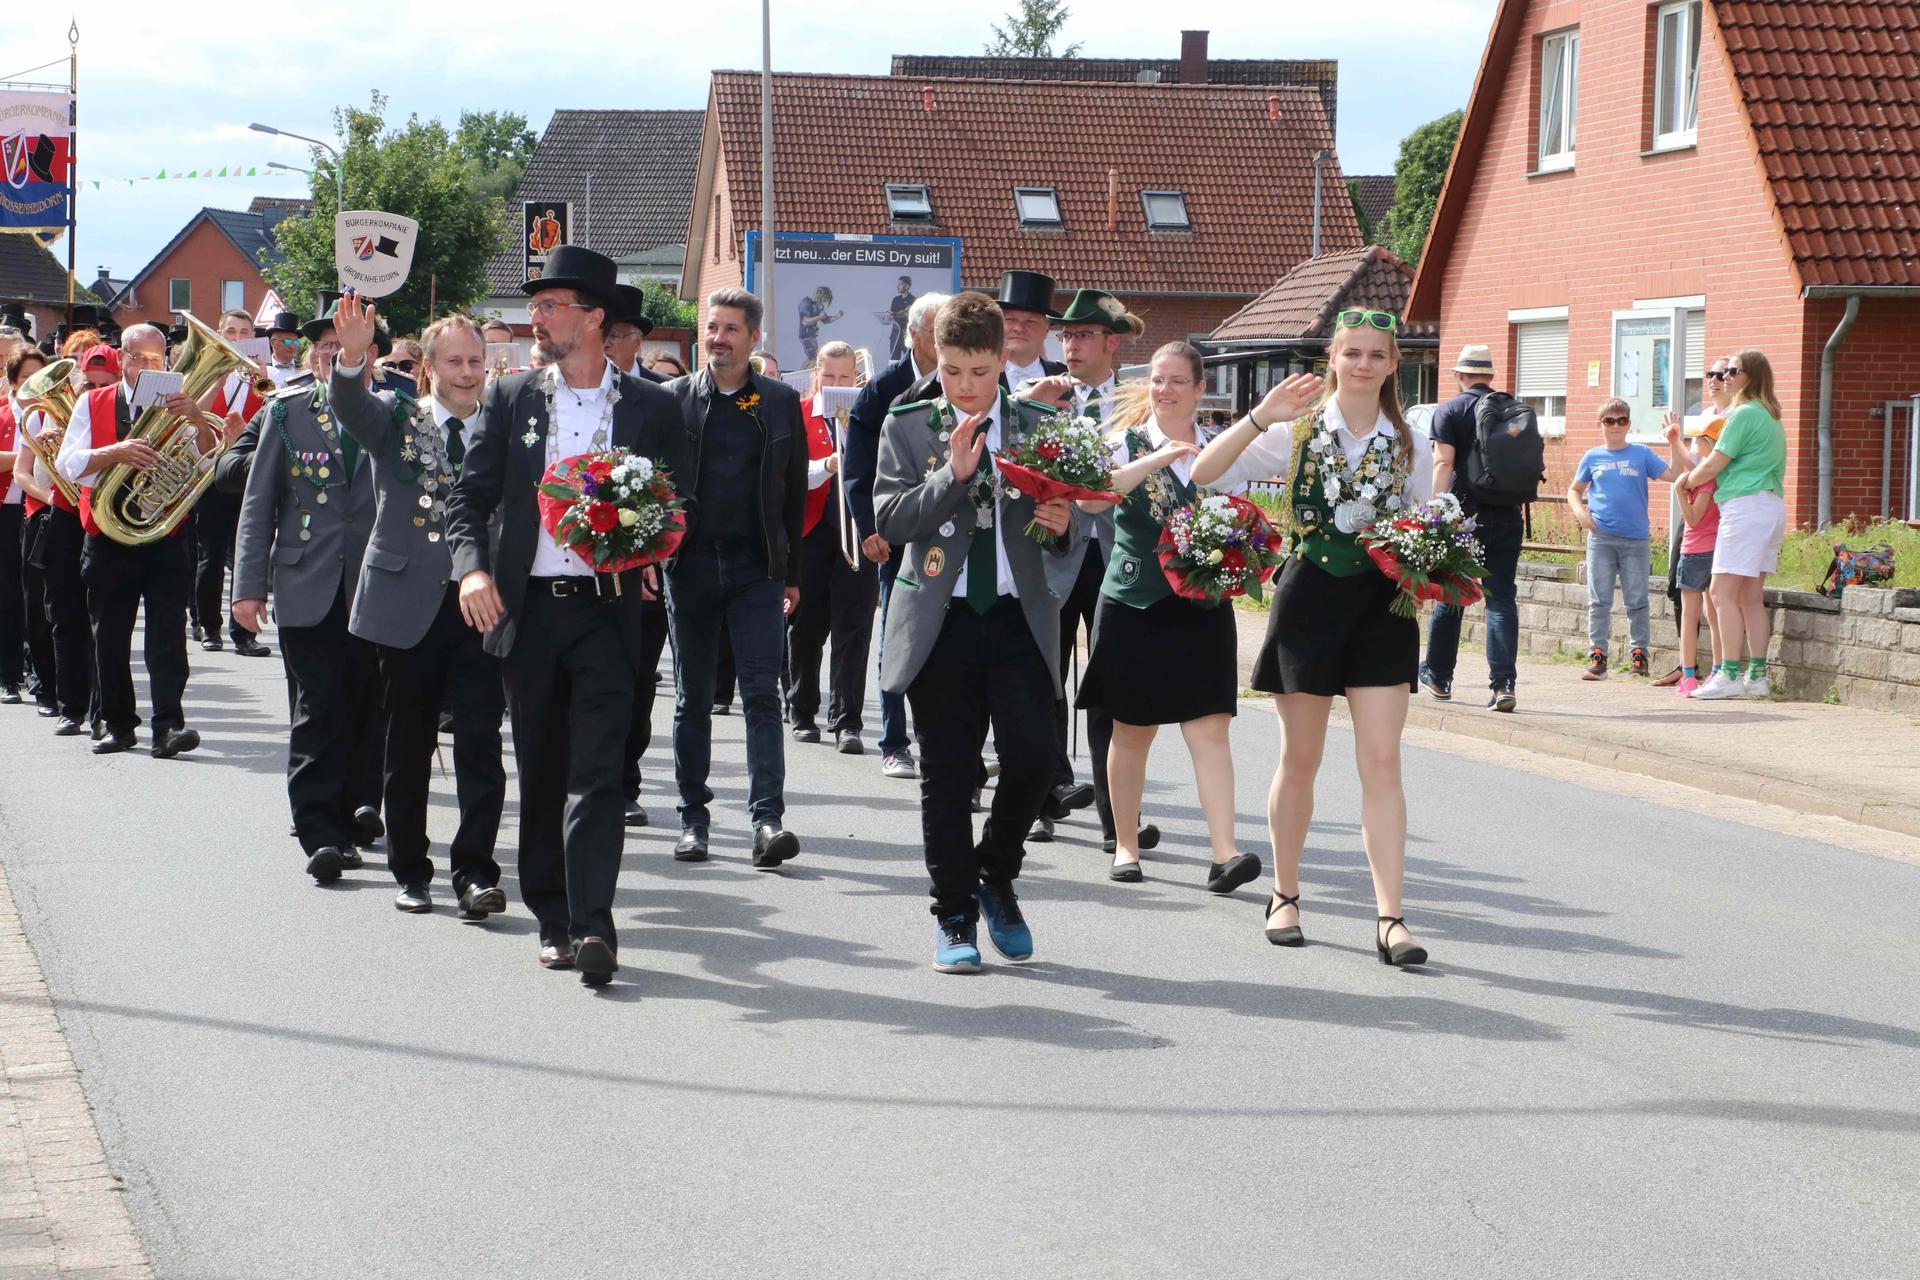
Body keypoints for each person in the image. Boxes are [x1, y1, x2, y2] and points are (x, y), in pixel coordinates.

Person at [448, 246, 688, 986]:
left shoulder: (652, 407)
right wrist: (472, 571)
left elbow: (680, 506)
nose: (536, 318)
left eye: (550, 306)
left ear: (593, 318)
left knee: (599, 775)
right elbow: (469, 500)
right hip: (530, 614)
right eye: (538, 305)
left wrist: (656, 554)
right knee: (545, 772)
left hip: (611, 615)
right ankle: (553, 917)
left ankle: (595, 925)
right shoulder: (512, 396)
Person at [1192, 309, 1433, 967]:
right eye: (1351, 353)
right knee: (1301, 758)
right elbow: (1206, 475)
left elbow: (1422, 521)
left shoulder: (1410, 443)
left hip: (1384, 603)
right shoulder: (1297, 430)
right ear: (1333, 358)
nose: (1362, 365)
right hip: (1310, 597)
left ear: (1391, 365)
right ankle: (1285, 895)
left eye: (1375, 356)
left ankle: (1391, 919)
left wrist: (1434, 555)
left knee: (1382, 761)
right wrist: (1259, 416)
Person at [875, 292, 1076, 972]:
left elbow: (1077, 526)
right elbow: (892, 522)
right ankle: (954, 913)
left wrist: (1063, 527)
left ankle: (995, 872)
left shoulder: (1040, 424)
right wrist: (951, 478)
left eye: (980, 372)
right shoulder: (908, 424)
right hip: (943, 620)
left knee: (1034, 758)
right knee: (948, 773)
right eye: (954, 370)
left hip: (1019, 617)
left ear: (1004, 362)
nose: (965, 387)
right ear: (937, 356)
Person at [329, 298, 507, 918]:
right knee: (407, 741)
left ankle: (476, 872)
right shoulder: (398, 419)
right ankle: (411, 869)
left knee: (481, 741)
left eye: (476, 361)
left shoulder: (505, 424)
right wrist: (353, 356)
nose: (467, 372)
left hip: (483, 604)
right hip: (408, 602)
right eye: (454, 361)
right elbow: (349, 407)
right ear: (428, 368)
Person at [1075, 343, 1261, 893]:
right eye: (1158, 380)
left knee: (1210, 730)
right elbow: (1091, 501)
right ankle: (1126, 845)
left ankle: (1224, 855)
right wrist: (1157, 459)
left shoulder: (1221, 450)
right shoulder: (1122, 443)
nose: (1166, 390)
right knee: (1131, 732)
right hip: (1134, 603)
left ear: (1200, 390)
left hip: (1202, 608)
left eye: (1178, 381)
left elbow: (1243, 522)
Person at [232, 297, 387, 879]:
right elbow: (257, 506)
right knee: (318, 706)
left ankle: (355, 813)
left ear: (371, 355)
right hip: (307, 583)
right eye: (324, 346)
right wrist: (247, 589)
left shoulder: (395, 413)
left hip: (377, 584)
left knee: (368, 705)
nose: (333, 354)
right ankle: (319, 830)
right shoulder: (285, 413)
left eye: (347, 345)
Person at [663, 289, 806, 866]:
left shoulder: (778, 402)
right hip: (689, 564)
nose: (717, 338)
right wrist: (653, 556)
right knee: (691, 698)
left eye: (730, 329)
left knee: (761, 696)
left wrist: (790, 572)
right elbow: (655, 484)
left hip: (756, 570)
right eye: (712, 328)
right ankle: (693, 819)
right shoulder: (673, 398)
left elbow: (794, 490)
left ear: (753, 339)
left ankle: (767, 822)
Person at [54, 323, 214, 758]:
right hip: (108, 534)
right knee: (109, 635)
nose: (147, 365)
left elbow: (206, 462)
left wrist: (198, 418)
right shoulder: (92, 401)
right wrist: (115, 453)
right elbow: (68, 463)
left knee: (167, 636)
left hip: (164, 534)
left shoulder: (183, 403)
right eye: (138, 357)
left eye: (156, 358)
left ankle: (168, 727)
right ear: (121, 358)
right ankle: (118, 724)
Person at [1030, 289, 1146, 849]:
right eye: (1066, 336)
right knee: (1043, 676)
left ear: (1110, 342)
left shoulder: (1138, 400)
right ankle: (1043, 795)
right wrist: (1033, 409)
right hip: (1055, 552)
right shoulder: (1046, 395)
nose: (1070, 346)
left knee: (1111, 684)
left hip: (1117, 555)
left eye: (1082, 336)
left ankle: (1113, 814)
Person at [842, 291, 948, 782]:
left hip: (947, 533)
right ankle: (893, 740)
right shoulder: (883, 388)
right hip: (896, 533)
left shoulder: (963, 383)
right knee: (897, 636)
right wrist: (867, 529)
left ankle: (942, 738)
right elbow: (857, 469)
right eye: (940, 330)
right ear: (916, 334)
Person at [1420, 344, 1525, 711]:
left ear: (1459, 376)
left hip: (1462, 516)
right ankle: (1503, 684)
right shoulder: (1513, 408)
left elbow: (1442, 463)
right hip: (1510, 515)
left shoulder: (1449, 409)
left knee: (1452, 593)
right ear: (1490, 376)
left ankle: (1438, 676)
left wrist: (1435, 512)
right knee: (1501, 598)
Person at [1680, 349, 1788, 701]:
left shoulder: (1742, 415)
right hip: (1769, 506)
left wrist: (1688, 481)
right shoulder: (1770, 415)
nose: (1725, 376)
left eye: (1732, 371)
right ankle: (1756, 676)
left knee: (1720, 593)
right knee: (1750, 597)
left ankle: (1727, 675)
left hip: (1744, 507)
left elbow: (1713, 464)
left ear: (1750, 376)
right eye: (1724, 371)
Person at [787, 341, 877, 753]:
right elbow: (788, 475)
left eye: (846, 377)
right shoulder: (799, 413)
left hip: (857, 531)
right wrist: (825, 466)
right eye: (831, 376)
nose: (838, 384)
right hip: (810, 533)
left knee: (853, 629)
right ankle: (803, 709)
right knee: (807, 627)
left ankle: (847, 721)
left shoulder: (865, 416)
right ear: (816, 375)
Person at [1568, 399, 1668, 680]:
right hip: (1601, 538)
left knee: (1637, 599)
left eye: (1621, 420)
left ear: (1629, 424)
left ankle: (1639, 656)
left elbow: (1674, 475)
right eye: (1609, 421)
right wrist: (1581, 513)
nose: (1615, 426)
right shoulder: (1592, 457)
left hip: (1635, 538)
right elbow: (1574, 490)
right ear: (1599, 425)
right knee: (1599, 599)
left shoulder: (1642, 454)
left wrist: (1676, 442)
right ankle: (1598, 656)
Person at [192, 309, 271, 657]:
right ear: (221, 334)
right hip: (211, 471)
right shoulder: (208, 370)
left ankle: (244, 633)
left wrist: (264, 379)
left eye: (245, 331)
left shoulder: (261, 376)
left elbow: (274, 420)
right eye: (232, 332)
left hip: (247, 475)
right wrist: (219, 381)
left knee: (245, 555)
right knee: (210, 554)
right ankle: (208, 625)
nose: (239, 338)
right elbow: (192, 413)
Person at [1660, 357, 1732, 697]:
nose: (1715, 379)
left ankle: (1695, 672)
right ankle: (1711, 669)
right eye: (1711, 374)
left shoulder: (1732, 418)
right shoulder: (1705, 418)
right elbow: (1697, 465)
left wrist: (1681, 488)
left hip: (1702, 539)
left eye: (1722, 374)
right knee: (1703, 604)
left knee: (1706, 605)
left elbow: (1701, 474)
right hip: (1706, 535)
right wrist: (1676, 443)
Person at [608, 286, 664, 384]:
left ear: (636, 344)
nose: (604, 343)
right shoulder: (579, 387)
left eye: (613, 336)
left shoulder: (665, 388)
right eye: (599, 334)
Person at [797, 287, 842, 364]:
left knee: (815, 358)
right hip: (806, 336)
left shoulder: (819, 305)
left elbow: (825, 320)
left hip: (813, 335)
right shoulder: (805, 303)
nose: (824, 303)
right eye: (824, 300)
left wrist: (837, 316)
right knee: (814, 359)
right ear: (820, 295)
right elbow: (805, 321)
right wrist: (819, 317)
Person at [263, 310, 304, 387]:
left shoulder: (304, 368)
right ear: (273, 343)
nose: (292, 346)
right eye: (287, 341)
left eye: (295, 342)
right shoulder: (263, 369)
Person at [886, 276, 915, 362]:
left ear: (907, 286)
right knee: (893, 360)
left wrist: (895, 314)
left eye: (900, 284)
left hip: (907, 334)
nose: (897, 286)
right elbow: (891, 315)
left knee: (909, 360)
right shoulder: (895, 300)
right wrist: (893, 315)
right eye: (897, 284)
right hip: (895, 334)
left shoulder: (914, 300)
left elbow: (908, 314)